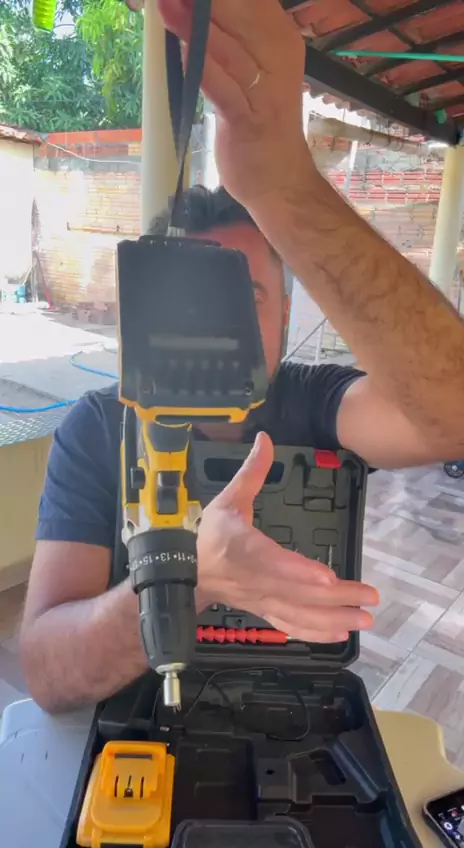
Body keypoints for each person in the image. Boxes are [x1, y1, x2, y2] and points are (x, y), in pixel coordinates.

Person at [19, 0, 464, 714]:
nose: (215, 323)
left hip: (293, 708)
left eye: (245, 295)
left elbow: (454, 412)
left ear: (286, 314)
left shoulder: (315, 400)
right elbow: (47, 673)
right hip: (136, 715)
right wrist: (192, 578)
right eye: (193, 296)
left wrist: (283, 183)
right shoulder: (97, 429)